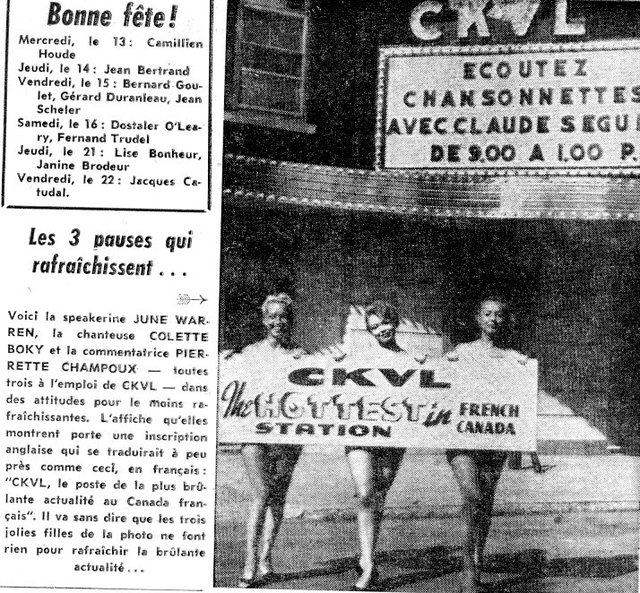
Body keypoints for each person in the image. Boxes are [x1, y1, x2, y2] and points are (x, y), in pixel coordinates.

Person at [446, 295, 526, 593]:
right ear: (477, 319)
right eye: (487, 314)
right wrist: (442, 364)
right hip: (461, 439)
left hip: (494, 438)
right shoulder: (461, 352)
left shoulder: (515, 359)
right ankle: (468, 571)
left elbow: (521, 404)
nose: (493, 319)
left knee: (486, 502)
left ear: (505, 321)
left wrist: (524, 371)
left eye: (499, 315)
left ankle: (477, 561)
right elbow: (434, 386)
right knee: (472, 495)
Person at [345, 301, 414, 591]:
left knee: (379, 495)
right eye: (374, 327)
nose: (381, 330)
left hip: (393, 436)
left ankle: (367, 555)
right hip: (360, 435)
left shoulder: (411, 359)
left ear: (394, 323)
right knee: (365, 495)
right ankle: (370, 565)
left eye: (384, 323)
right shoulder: (358, 355)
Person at [237, 293, 305, 588]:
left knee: (278, 497)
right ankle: (249, 564)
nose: (278, 322)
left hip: (286, 436)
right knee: (262, 492)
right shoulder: (250, 352)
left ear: (289, 320)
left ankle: (266, 559)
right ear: (264, 320)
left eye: (283, 316)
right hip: (253, 433)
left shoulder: (299, 355)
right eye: (272, 316)